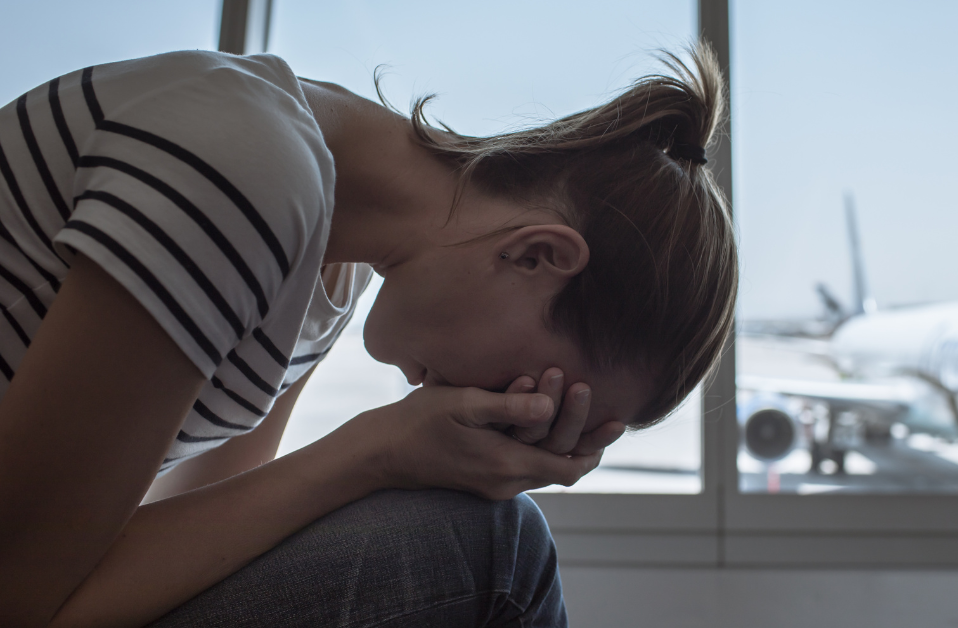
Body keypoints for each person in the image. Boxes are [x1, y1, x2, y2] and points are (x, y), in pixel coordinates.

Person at [0, 42, 736, 627]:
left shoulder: (333, 258)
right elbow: (20, 597)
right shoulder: (247, 164)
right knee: (502, 548)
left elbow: (186, 539)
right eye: (533, 390)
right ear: (537, 255)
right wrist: (377, 450)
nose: (503, 404)